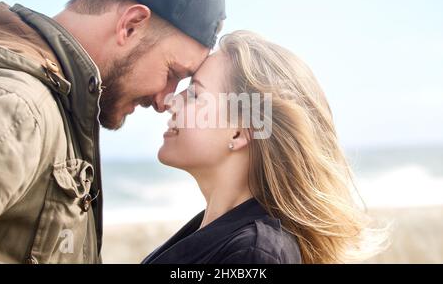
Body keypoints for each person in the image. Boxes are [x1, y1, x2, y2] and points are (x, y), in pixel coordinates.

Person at [0, 0, 225, 264]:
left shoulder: (59, 102)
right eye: (172, 72)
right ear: (131, 25)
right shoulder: (21, 109)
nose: (165, 100)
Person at [143, 31, 386, 264]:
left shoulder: (253, 254)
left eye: (195, 94)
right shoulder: (219, 232)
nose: (172, 102)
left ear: (240, 132)